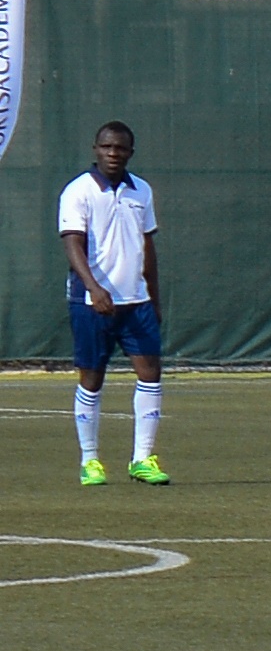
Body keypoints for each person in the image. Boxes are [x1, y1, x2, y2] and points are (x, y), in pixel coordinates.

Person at [58, 120, 168, 487]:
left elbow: (147, 246)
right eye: (107, 147)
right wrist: (94, 288)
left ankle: (142, 459)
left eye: (120, 148)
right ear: (96, 149)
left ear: (130, 153)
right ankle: (90, 460)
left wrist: (154, 297)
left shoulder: (142, 191)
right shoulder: (78, 191)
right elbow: (72, 242)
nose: (113, 153)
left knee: (150, 373)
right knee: (92, 377)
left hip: (136, 301)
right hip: (92, 302)